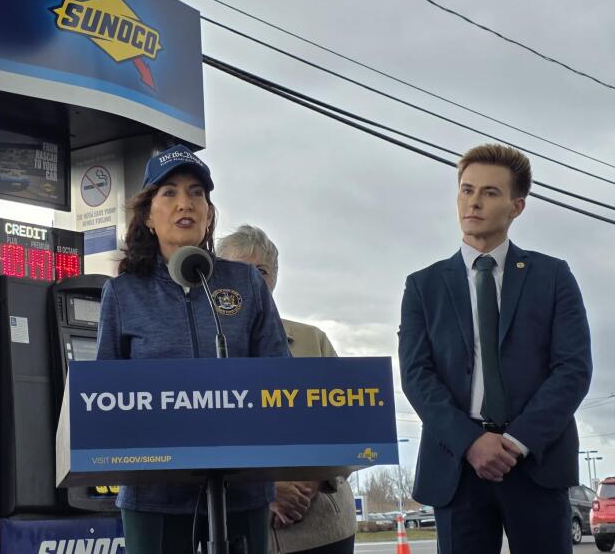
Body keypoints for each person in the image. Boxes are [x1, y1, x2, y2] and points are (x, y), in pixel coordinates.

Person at [397, 144, 591, 554]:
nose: (474, 202)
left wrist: (516, 441)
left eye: (489, 192)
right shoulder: (423, 286)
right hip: (457, 465)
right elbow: (416, 375)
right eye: (467, 190)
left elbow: (573, 369)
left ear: (516, 207)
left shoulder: (553, 276)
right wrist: (470, 441)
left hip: (536, 462)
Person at [96, 144, 290, 554]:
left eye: (196, 192)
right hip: (153, 497)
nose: (185, 203)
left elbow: (280, 377)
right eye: (169, 192)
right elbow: (103, 397)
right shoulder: (123, 293)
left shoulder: (246, 283)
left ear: (209, 213)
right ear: (148, 216)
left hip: (242, 492)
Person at [218, 225, 356, 554]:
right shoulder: (200, 352)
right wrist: (266, 488)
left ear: (275, 278)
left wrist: (314, 480)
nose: (252, 280)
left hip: (322, 528)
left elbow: (350, 426)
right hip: (238, 531)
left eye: (261, 271)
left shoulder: (313, 341)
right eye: (239, 270)